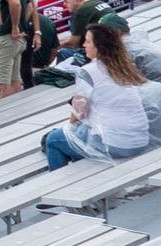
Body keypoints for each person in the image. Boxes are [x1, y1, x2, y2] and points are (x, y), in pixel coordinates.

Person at [44, 25, 154, 170]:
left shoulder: (88, 71)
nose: (84, 45)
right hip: (140, 140)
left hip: (115, 144)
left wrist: (69, 128)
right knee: (79, 138)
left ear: (99, 46)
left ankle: (60, 182)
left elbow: (78, 112)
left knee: (53, 139)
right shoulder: (124, 67)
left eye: (88, 41)